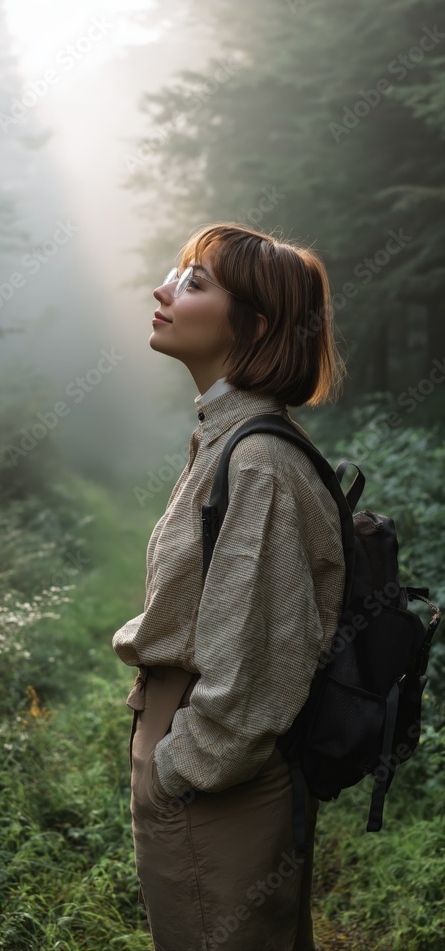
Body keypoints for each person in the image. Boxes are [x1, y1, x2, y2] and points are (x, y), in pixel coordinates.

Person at [112, 221, 347, 951]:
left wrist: (178, 770)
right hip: (200, 782)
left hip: (215, 793)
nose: (163, 290)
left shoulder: (257, 465)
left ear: (256, 324)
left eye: (194, 282)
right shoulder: (226, 438)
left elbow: (257, 663)